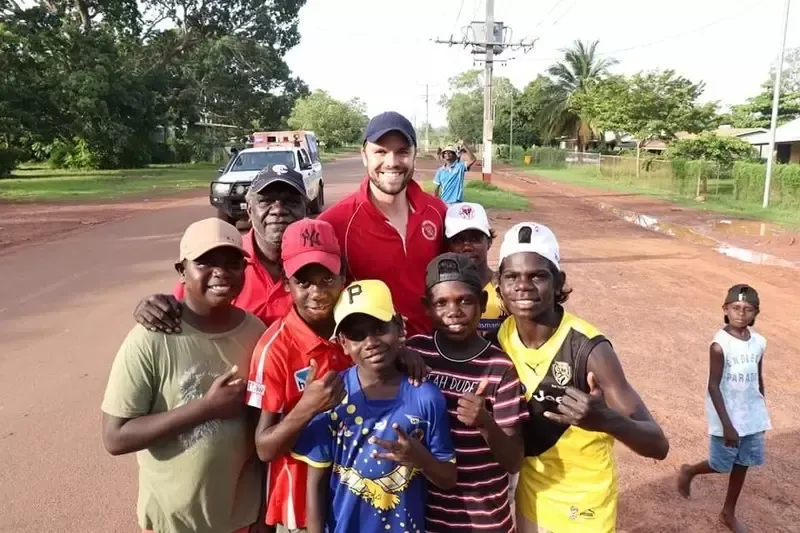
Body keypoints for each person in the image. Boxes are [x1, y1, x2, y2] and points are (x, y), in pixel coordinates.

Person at [246, 219, 431, 533]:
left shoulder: (353, 330)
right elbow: (264, 448)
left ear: (343, 276)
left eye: (326, 279)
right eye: (303, 282)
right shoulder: (274, 349)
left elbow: (379, 346)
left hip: (360, 497)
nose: (317, 292)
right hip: (303, 507)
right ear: (287, 283)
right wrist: (307, 407)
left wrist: (401, 351)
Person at [491, 222, 669, 533]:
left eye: (537, 276)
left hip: (582, 511)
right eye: (512, 277)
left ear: (559, 281)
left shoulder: (590, 351)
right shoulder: (505, 334)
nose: (523, 286)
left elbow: (658, 444)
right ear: (499, 285)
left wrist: (605, 420)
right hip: (531, 501)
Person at [100, 218, 267, 533]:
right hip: (172, 519)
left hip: (239, 515)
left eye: (233, 262)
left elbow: (261, 421)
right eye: (205, 262)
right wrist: (207, 407)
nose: (221, 272)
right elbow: (115, 436)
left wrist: (262, 511)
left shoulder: (255, 331)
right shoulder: (150, 338)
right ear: (181, 271)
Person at [292, 279, 457, 533]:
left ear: (400, 327)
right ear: (343, 344)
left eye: (379, 328)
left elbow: (448, 478)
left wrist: (420, 458)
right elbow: (316, 483)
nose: (370, 342)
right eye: (357, 335)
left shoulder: (427, 397)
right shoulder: (330, 396)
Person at [405, 253, 528, 533]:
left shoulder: (499, 368)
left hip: (484, 519)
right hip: (424, 516)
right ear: (427, 307)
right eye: (441, 303)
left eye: (465, 300)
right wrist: (400, 353)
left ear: (483, 304)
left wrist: (485, 422)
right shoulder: (417, 352)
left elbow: (513, 461)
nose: (454, 311)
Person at [133, 165, 309, 332]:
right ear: (249, 209)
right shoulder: (224, 258)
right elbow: (180, 306)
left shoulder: (319, 261)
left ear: (305, 209)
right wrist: (154, 308)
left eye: (291, 202)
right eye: (266, 201)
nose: (278, 210)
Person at [319, 111, 447, 337]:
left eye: (402, 152)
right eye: (380, 151)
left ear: (414, 154)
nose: (392, 162)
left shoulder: (438, 211)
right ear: (364, 155)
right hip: (376, 357)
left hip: (435, 350)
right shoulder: (334, 223)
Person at [677, 284, 770, 533]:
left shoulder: (759, 343)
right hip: (727, 416)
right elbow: (713, 386)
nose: (741, 313)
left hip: (752, 416)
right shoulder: (720, 345)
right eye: (735, 308)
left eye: (747, 309)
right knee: (721, 464)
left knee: (744, 462)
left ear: (755, 313)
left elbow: (758, 379)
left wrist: (761, 408)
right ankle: (690, 471)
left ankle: (728, 513)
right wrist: (728, 425)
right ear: (726, 310)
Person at [443, 202, 506, 335]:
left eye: (475, 238)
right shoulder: (442, 293)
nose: (467, 246)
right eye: (458, 240)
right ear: (448, 245)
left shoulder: (505, 289)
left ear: (489, 242)